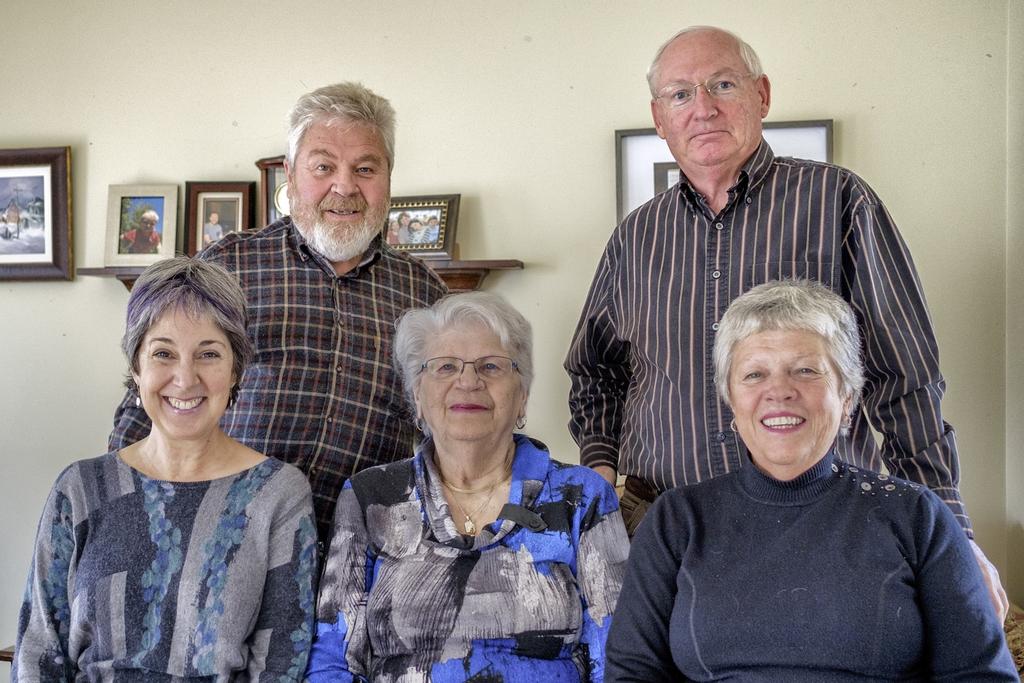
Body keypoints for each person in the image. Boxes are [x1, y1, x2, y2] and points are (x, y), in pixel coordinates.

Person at [563, 25, 1008, 616]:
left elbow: (905, 380)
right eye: (680, 94)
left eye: (723, 84)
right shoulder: (636, 236)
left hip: (820, 522)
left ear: (762, 95)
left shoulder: (839, 202)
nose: (702, 107)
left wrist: (950, 533)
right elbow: (595, 372)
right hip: (661, 529)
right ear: (659, 117)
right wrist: (600, 477)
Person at [604, 280, 1016, 681]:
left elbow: (981, 674)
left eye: (805, 370)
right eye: (754, 374)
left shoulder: (916, 515)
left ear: (847, 397)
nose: (779, 391)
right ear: (730, 400)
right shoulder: (676, 519)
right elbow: (633, 672)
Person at [108, 82, 448, 540]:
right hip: (222, 542)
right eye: (323, 166)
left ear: (388, 176)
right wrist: (121, 518)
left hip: (365, 554)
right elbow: (149, 393)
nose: (344, 186)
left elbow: (443, 432)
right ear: (290, 173)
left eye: (365, 168)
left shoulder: (426, 293)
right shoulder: (228, 266)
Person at [15, 257, 317, 680]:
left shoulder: (278, 494)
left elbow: (282, 663)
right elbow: (39, 653)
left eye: (208, 354)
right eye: (163, 353)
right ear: (136, 368)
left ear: (235, 370)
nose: (185, 378)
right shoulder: (80, 488)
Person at [307, 292, 629, 682]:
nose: (468, 381)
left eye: (491, 366)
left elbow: (618, 657)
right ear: (417, 396)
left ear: (522, 395)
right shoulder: (370, 496)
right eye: (445, 367)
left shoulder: (582, 496)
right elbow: (334, 659)